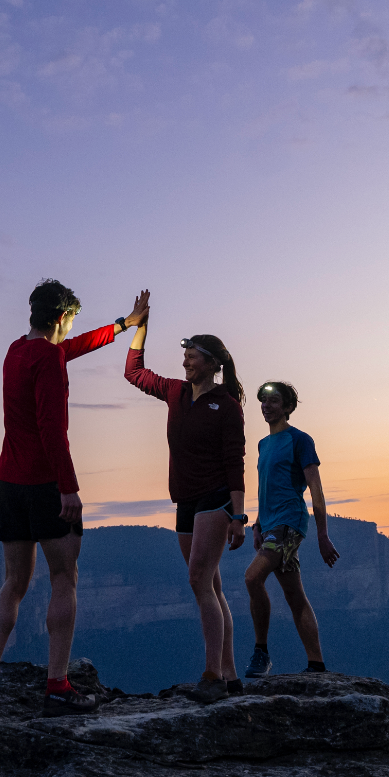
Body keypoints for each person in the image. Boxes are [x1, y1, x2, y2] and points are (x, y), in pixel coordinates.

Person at [0, 278, 142, 722]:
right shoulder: (48, 357)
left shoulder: (16, 351)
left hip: (8, 481)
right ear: (62, 316)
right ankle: (57, 686)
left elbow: (72, 348)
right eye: (71, 321)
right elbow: (52, 427)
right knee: (64, 576)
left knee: (14, 582)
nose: (72, 329)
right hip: (46, 482)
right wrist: (68, 487)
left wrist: (124, 324)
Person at [122, 291, 247, 703]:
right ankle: (229, 675)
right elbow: (134, 373)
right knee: (210, 584)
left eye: (192, 356)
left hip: (215, 500)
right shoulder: (175, 392)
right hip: (185, 502)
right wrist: (139, 328)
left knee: (198, 580)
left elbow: (235, 461)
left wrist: (239, 514)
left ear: (212, 362)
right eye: (185, 356)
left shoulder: (227, 406)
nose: (185, 362)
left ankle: (212, 675)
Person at [237, 380, 338, 676]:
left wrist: (323, 535)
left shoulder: (300, 440)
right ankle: (317, 664)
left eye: (274, 401)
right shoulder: (263, 444)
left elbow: (315, 489)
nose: (267, 407)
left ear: (288, 407)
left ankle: (261, 651)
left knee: (252, 578)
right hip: (269, 525)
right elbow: (267, 487)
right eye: (264, 402)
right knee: (295, 596)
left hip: (289, 523)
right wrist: (257, 524)